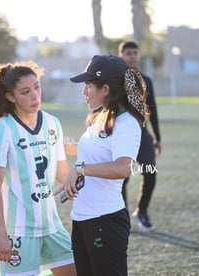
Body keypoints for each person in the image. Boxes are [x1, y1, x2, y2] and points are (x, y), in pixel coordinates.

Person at [0, 61, 77, 276]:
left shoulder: (53, 123)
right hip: (19, 233)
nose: (34, 95)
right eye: (25, 92)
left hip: (52, 227)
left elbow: (62, 173)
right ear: (10, 97)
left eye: (37, 87)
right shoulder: (2, 129)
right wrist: (0, 233)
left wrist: (86, 176)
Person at [62, 55, 149, 275]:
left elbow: (122, 168)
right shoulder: (102, 116)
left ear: (106, 89)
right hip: (82, 219)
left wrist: (80, 169)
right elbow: (88, 151)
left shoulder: (126, 122)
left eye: (88, 86)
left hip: (105, 222)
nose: (84, 92)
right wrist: (52, 145)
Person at [118, 41, 162, 231]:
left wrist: (157, 137)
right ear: (121, 56)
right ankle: (122, 217)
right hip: (121, 135)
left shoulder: (147, 80)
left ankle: (141, 212)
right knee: (122, 177)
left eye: (135, 52)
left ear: (140, 56)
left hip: (142, 134)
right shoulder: (116, 80)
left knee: (151, 171)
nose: (132, 56)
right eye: (128, 53)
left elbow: (152, 110)